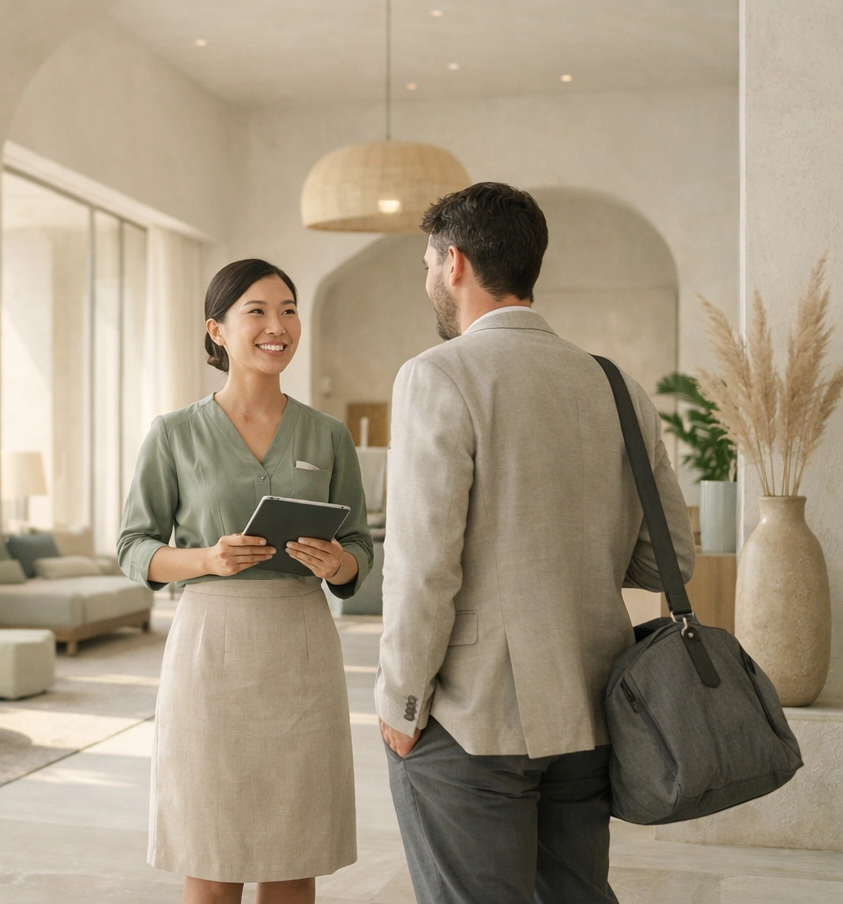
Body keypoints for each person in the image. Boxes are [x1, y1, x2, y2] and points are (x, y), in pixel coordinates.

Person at [376, 182, 696, 904]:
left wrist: (400, 705)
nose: (427, 279)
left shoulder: (439, 376)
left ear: (453, 262)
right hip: (592, 710)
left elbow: (425, 569)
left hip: (471, 716)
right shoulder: (617, 387)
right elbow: (667, 561)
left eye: (428, 263)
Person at [119, 258, 373, 904]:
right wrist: (206, 560)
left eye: (288, 310)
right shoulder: (173, 435)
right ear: (217, 330)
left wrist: (336, 564)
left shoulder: (329, 434)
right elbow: (133, 548)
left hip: (301, 650)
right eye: (256, 311)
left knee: (295, 847)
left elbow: (357, 549)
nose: (277, 325)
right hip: (211, 652)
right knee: (211, 843)